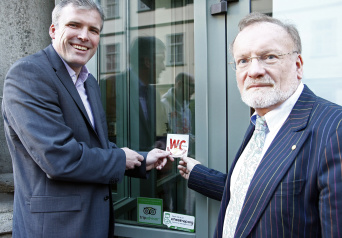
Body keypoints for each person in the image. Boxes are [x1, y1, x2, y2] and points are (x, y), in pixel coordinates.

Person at [2, 1, 173, 238]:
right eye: (74, 25)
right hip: (55, 228)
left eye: (93, 30)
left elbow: (95, 148)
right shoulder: (28, 75)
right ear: (53, 30)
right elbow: (58, 157)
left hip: (93, 222)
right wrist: (121, 158)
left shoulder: (89, 82)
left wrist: (143, 159)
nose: (84, 36)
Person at [178, 12, 342, 238]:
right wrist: (197, 173)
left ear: (298, 65)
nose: (254, 71)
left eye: (269, 56)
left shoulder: (335, 129)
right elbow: (257, 193)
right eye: (243, 61)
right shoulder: (261, 122)